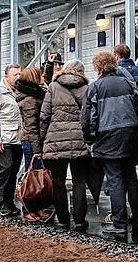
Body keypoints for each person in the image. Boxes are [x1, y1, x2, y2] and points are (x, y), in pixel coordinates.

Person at [82, 51, 138, 235]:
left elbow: (89, 118)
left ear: (97, 67)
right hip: (130, 135)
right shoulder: (128, 83)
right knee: (131, 178)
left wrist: (90, 139)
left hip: (107, 137)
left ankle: (119, 223)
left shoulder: (95, 87)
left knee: (115, 180)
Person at [38, 59, 91, 231]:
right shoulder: (86, 88)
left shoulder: (53, 87)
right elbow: (90, 116)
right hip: (80, 140)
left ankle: (63, 219)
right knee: (79, 181)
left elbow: (45, 116)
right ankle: (80, 221)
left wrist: (43, 137)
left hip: (55, 141)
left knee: (58, 182)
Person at [0, 63, 24, 217]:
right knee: (6, 170)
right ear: (6, 76)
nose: (18, 77)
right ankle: (3, 203)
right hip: (5, 140)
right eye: (15, 74)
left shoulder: (20, 92)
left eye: (20, 74)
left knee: (14, 172)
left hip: (19, 139)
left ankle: (10, 202)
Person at [14, 67, 46, 174]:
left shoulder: (34, 94)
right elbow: (31, 126)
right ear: (34, 78)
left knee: (35, 173)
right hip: (32, 141)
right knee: (33, 175)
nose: (43, 77)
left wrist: (50, 64)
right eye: (40, 75)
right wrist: (37, 150)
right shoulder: (30, 100)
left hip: (32, 140)